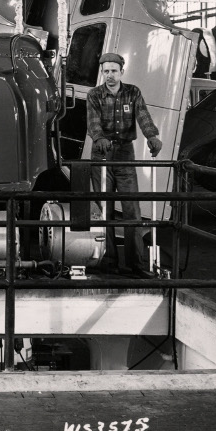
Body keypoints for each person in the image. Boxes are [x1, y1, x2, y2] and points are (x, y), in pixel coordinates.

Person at [86, 52, 163, 278]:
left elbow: (143, 116)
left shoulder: (133, 93)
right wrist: (99, 138)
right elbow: (93, 121)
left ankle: (135, 265)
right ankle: (108, 261)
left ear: (122, 71)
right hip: (101, 156)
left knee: (132, 211)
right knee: (105, 210)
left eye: (114, 71)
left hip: (124, 155)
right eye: (106, 71)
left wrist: (152, 136)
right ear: (103, 72)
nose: (110, 75)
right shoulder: (95, 95)